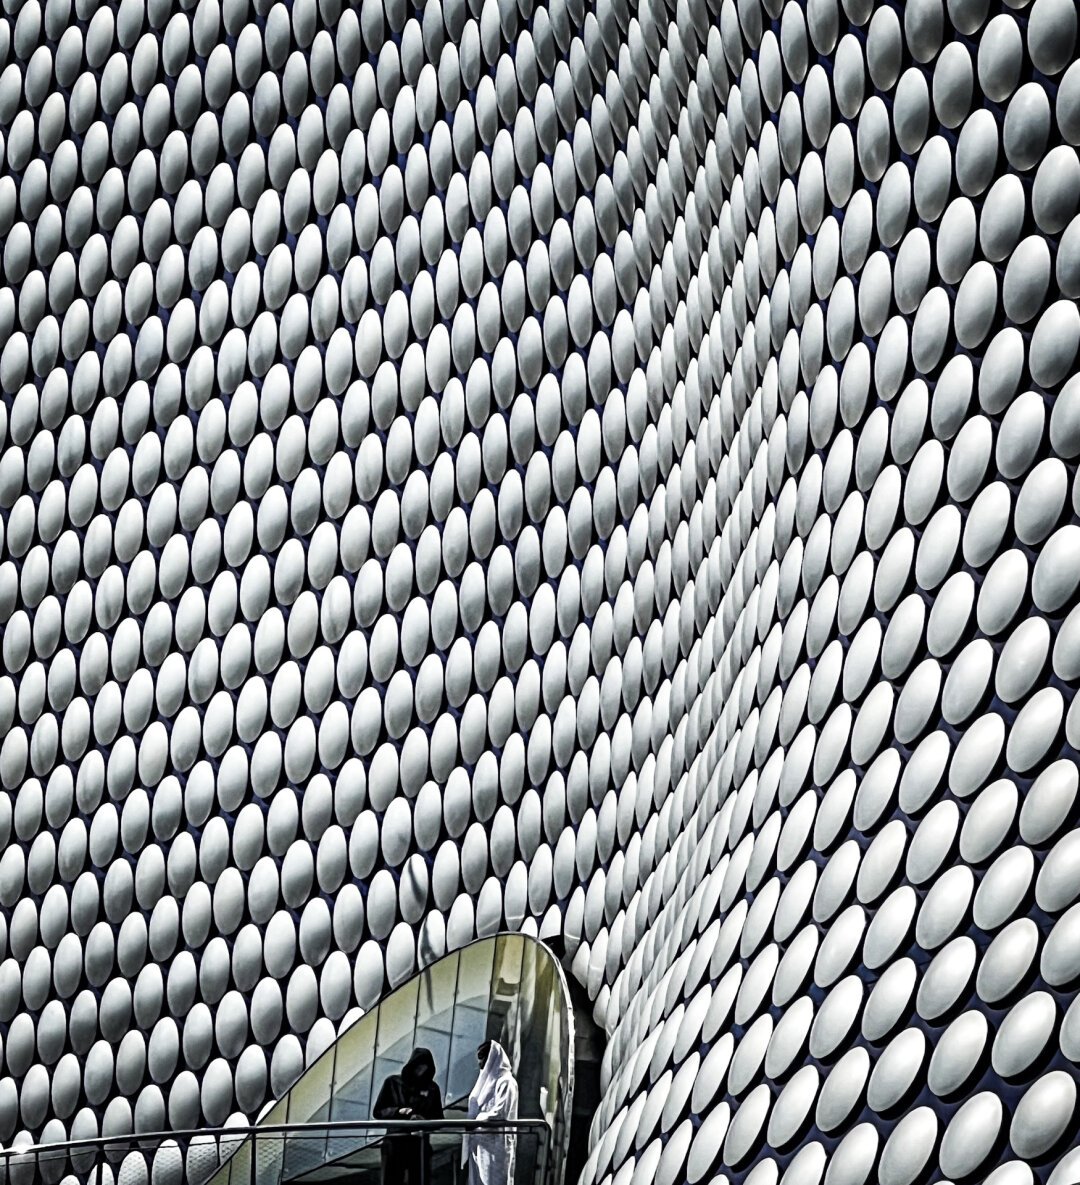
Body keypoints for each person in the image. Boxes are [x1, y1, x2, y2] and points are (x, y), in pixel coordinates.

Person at [373, 1048, 444, 1184]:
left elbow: (439, 1120)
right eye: (418, 1065)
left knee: (419, 1180)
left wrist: (425, 1122)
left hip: (419, 1144)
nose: (421, 1069)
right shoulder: (393, 1083)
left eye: (424, 1066)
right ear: (412, 1064)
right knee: (391, 1181)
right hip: (395, 1142)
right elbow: (378, 1111)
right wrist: (399, 1112)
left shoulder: (432, 1088)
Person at [463, 1040, 519, 1185]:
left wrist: (476, 1121)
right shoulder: (488, 1082)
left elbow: (499, 1113)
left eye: (483, 1058)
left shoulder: (506, 1082)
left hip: (497, 1146)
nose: (480, 1064)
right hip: (481, 1144)